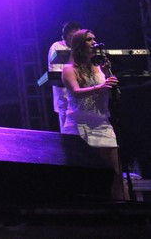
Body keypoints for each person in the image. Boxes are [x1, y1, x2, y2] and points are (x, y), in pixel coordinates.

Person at [61, 29, 128, 200]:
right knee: (83, 173)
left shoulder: (99, 67)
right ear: (80, 45)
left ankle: (123, 209)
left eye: (94, 39)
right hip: (78, 124)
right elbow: (76, 92)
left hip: (101, 122)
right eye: (89, 39)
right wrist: (100, 87)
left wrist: (107, 75)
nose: (94, 42)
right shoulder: (69, 69)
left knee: (115, 171)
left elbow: (110, 90)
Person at [48, 21, 81, 132]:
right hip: (65, 99)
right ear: (65, 36)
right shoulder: (57, 46)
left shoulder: (80, 49)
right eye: (71, 36)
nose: (74, 40)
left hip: (80, 100)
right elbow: (56, 72)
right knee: (68, 133)